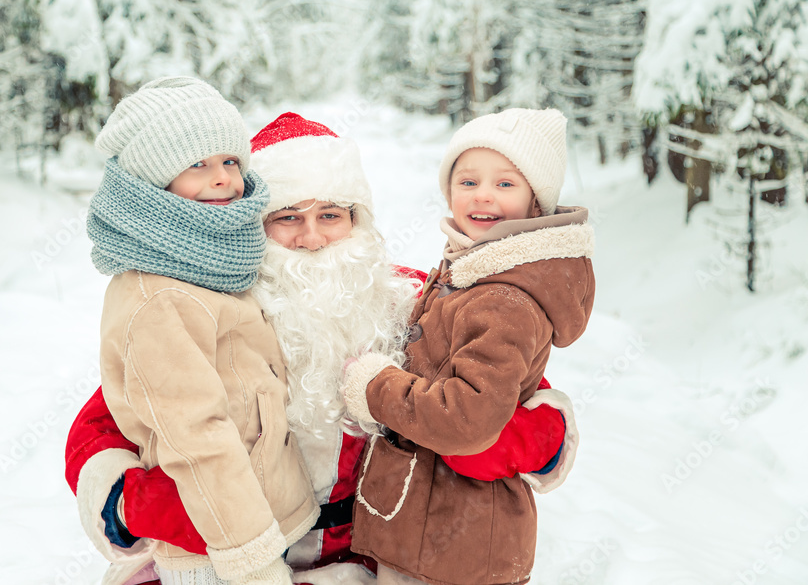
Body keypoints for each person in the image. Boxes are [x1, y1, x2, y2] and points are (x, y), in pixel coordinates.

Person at [67, 111, 580, 585]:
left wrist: (493, 442)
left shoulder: (408, 300)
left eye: (331, 215)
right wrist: (147, 506)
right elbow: (108, 421)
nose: (312, 239)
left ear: (359, 223)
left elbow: (520, 399)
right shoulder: (216, 311)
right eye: (288, 218)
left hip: (376, 563)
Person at [341, 108, 595, 585]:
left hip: (454, 550)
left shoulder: (504, 297)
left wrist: (374, 387)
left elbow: (465, 419)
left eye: (505, 183)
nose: (482, 195)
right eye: (468, 181)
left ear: (536, 203)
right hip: (431, 536)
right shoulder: (477, 267)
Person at [84, 77, 320, 585]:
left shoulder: (213, 265)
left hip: (256, 524)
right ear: (153, 179)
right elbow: (196, 437)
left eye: (231, 161)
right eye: (198, 164)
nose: (223, 179)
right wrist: (253, 563)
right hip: (216, 549)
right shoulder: (159, 295)